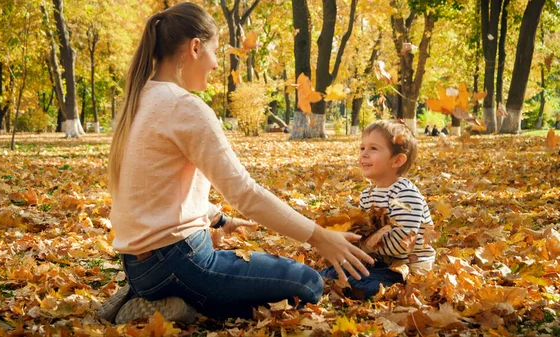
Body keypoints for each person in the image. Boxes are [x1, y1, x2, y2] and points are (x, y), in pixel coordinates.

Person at [104, 2, 374, 323]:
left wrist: (217, 220)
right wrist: (319, 236)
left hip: (139, 267)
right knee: (308, 283)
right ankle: (184, 309)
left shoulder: (139, 100)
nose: (217, 64)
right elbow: (245, 193)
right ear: (194, 48)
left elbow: (152, 189)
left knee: (264, 280)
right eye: (215, 52)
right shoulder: (185, 107)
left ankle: (153, 297)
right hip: (180, 263)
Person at [320, 120, 436, 300]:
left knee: (364, 284)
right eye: (362, 148)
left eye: (373, 149)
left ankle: (365, 287)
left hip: (406, 268)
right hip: (378, 261)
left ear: (397, 160)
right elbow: (364, 230)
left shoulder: (405, 194)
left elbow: (402, 245)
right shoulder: (368, 194)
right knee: (332, 272)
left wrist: (365, 248)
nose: (364, 154)